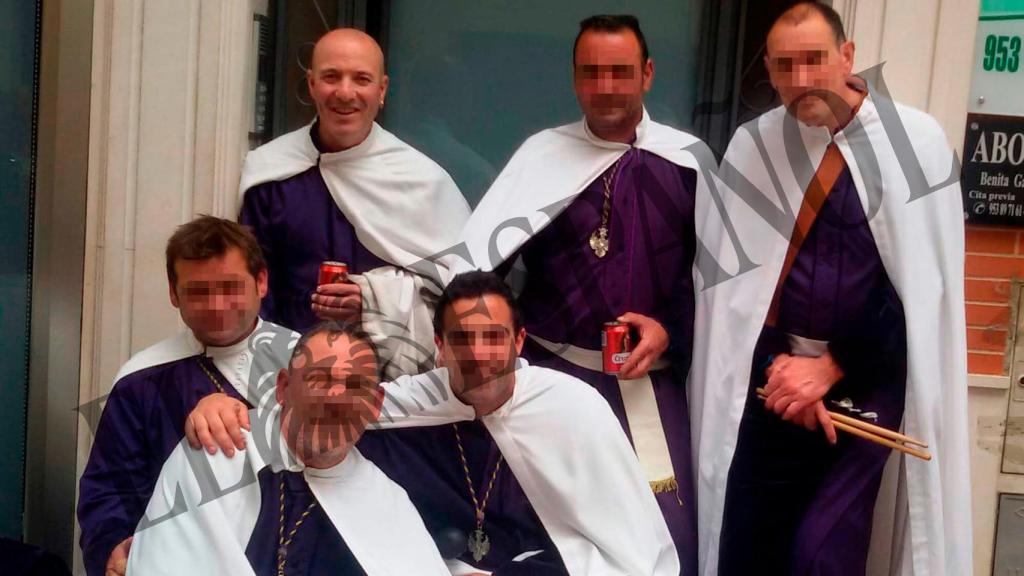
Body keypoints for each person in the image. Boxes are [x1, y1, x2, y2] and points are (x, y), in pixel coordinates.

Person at [691, 3, 972, 575]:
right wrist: (778, 368)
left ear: (847, 56)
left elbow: (924, 293)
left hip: (866, 385)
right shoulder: (755, 146)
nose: (799, 80)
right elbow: (730, 294)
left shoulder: (914, 142)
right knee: (747, 547)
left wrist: (832, 366)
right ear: (768, 72)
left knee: (823, 553)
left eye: (814, 60)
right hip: (772, 385)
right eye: (783, 66)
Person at [188, 271, 680, 575]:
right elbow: (321, 409)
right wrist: (226, 408)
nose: (479, 354)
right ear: (440, 347)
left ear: (520, 340)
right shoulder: (414, 402)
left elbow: (628, 554)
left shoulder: (574, 408)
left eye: (494, 337)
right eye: (462, 339)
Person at [453, 15, 711, 572]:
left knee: (666, 530)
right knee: (547, 527)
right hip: (550, 375)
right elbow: (483, 274)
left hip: (646, 384)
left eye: (620, 72)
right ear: (574, 79)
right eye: (592, 73)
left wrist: (670, 329)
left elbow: (714, 284)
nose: (606, 86)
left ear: (647, 74)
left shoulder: (688, 164)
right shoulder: (541, 155)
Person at [126, 320, 451, 575]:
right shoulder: (217, 451)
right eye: (319, 379)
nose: (335, 397)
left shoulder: (387, 501)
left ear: (375, 404)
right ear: (283, 387)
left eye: (355, 386)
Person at [238, 28, 470, 378]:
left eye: (361, 79)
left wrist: (375, 299)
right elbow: (252, 289)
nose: (345, 93)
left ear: (382, 90)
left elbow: (462, 296)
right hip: (288, 376)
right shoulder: (270, 173)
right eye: (332, 77)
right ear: (312, 84)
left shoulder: (423, 182)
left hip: (392, 386)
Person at [76, 216, 296, 576]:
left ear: (261, 282)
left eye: (230, 286)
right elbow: (111, 490)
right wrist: (113, 547)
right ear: (174, 293)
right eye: (198, 291)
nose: (216, 304)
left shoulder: (309, 364)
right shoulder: (140, 380)